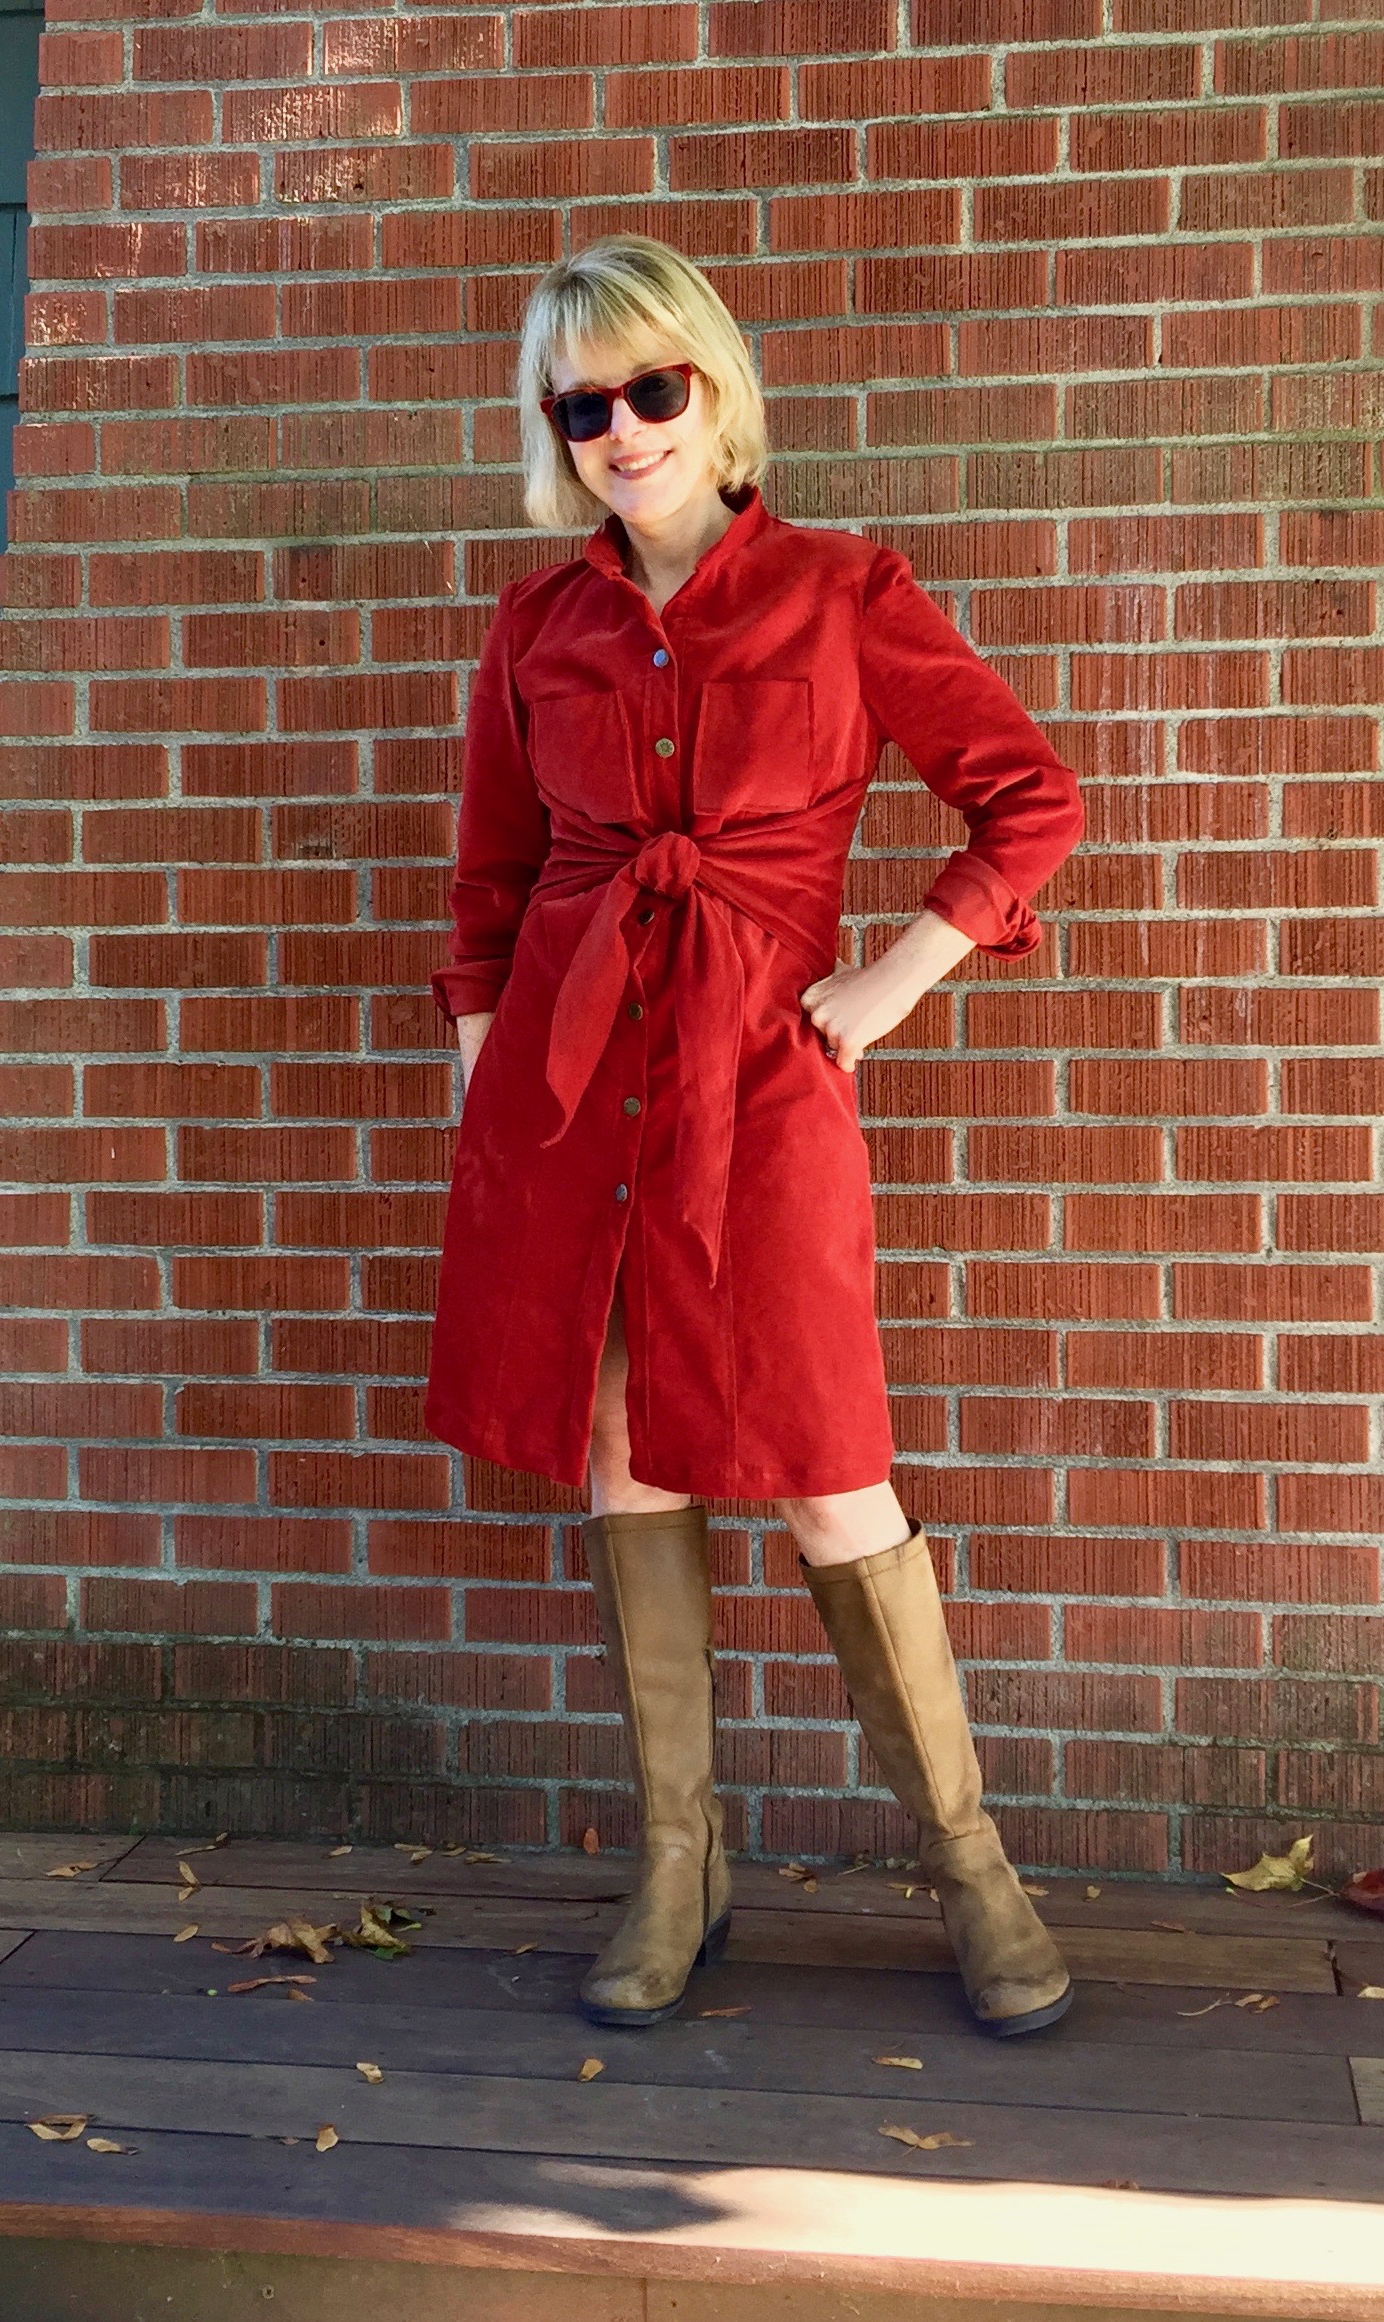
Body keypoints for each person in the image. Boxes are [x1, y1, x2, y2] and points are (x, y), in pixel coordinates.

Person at [426, 233, 1085, 2041]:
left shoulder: (842, 590)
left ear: (713, 389)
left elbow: (1028, 800)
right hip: (570, 1090)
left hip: (762, 1080)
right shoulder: (536, 629)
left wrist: (883, 983)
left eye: (653, 387)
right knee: (618, 1440)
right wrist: (493, 1081)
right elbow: (488, 882)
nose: (622, 430)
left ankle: (970, 1866)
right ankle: (678, 1862)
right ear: (555, 432)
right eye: (584, 406)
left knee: (822, 1457)